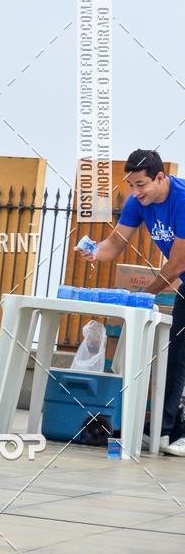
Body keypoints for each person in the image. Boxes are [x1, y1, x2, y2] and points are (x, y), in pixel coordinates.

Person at [80, 149, 185, 456]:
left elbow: (177, 264)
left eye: (142, 185)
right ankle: (166, 430)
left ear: (160, 178)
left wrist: (146, 294)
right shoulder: (138, 203)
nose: (136, 192)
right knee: (176, 356)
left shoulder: (181, 199)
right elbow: (115, 243)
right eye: (132, 185)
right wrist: (95, 252)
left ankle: (171, 429)